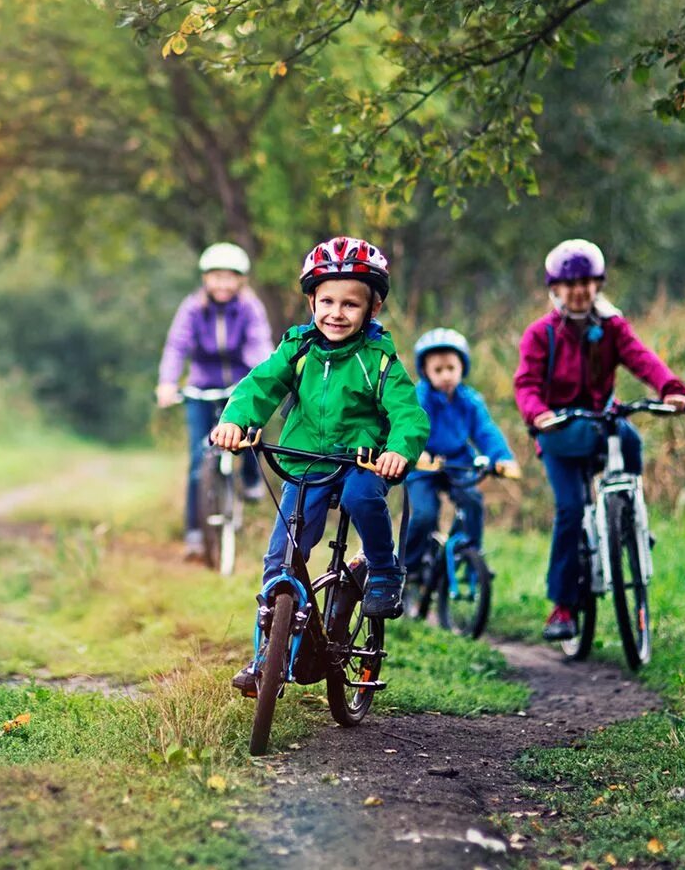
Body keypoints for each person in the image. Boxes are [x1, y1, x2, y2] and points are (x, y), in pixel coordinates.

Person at [208, 236, 430, 693]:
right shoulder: (298, 349)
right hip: (304, 462)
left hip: (361, 461)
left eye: (351, 304)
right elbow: (260, 386)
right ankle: (265, 657)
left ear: (373, 308)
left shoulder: (379, 358)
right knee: (282, 556)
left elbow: (408, 412)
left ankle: (383, 568)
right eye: (327, 300)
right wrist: (235, 420)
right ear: (311, 300)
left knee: (360, 496)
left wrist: (398, 452)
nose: (336, 312)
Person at [513, 239, 685, 641]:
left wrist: (670, 388)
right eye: (570, 283)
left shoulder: (611, 326)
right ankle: (561, 606)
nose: (579, 290)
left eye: (587, 282)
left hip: (601, 422)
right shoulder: (541, 334)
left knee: (631, 441)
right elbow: (526, 383)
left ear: (599, 284)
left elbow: (641, 357)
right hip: (559, 432)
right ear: (555, 289)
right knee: (571, 510)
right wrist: (537, 413)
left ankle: (630, 517)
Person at [157, 242, 274, 560]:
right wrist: (168, 382)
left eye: (229, 278)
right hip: (201, 388)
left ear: (241, 280)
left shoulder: (250, 308)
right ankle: (194, 533)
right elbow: (176, 346)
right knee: (199, 460)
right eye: (215, 277)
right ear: (205, 279)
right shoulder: (192, 308)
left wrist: (261, 377)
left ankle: (251, 479)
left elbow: (260, 344)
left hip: (239, 385)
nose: (222, 284)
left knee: (249, 434)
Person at [402, 328, 517, 577]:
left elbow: (486, 431)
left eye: (451, 369)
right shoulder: (420, 398)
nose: (445, 376)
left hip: (457, 461)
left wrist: (502, 458)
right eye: (438, 370)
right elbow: (408, 429)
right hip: (424, 463)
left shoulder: (469, 400)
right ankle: (408, 568)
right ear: (425, 372)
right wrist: (416, 454)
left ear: (462, 368)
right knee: (424, 515)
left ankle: (470, 554)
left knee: (472, 501)